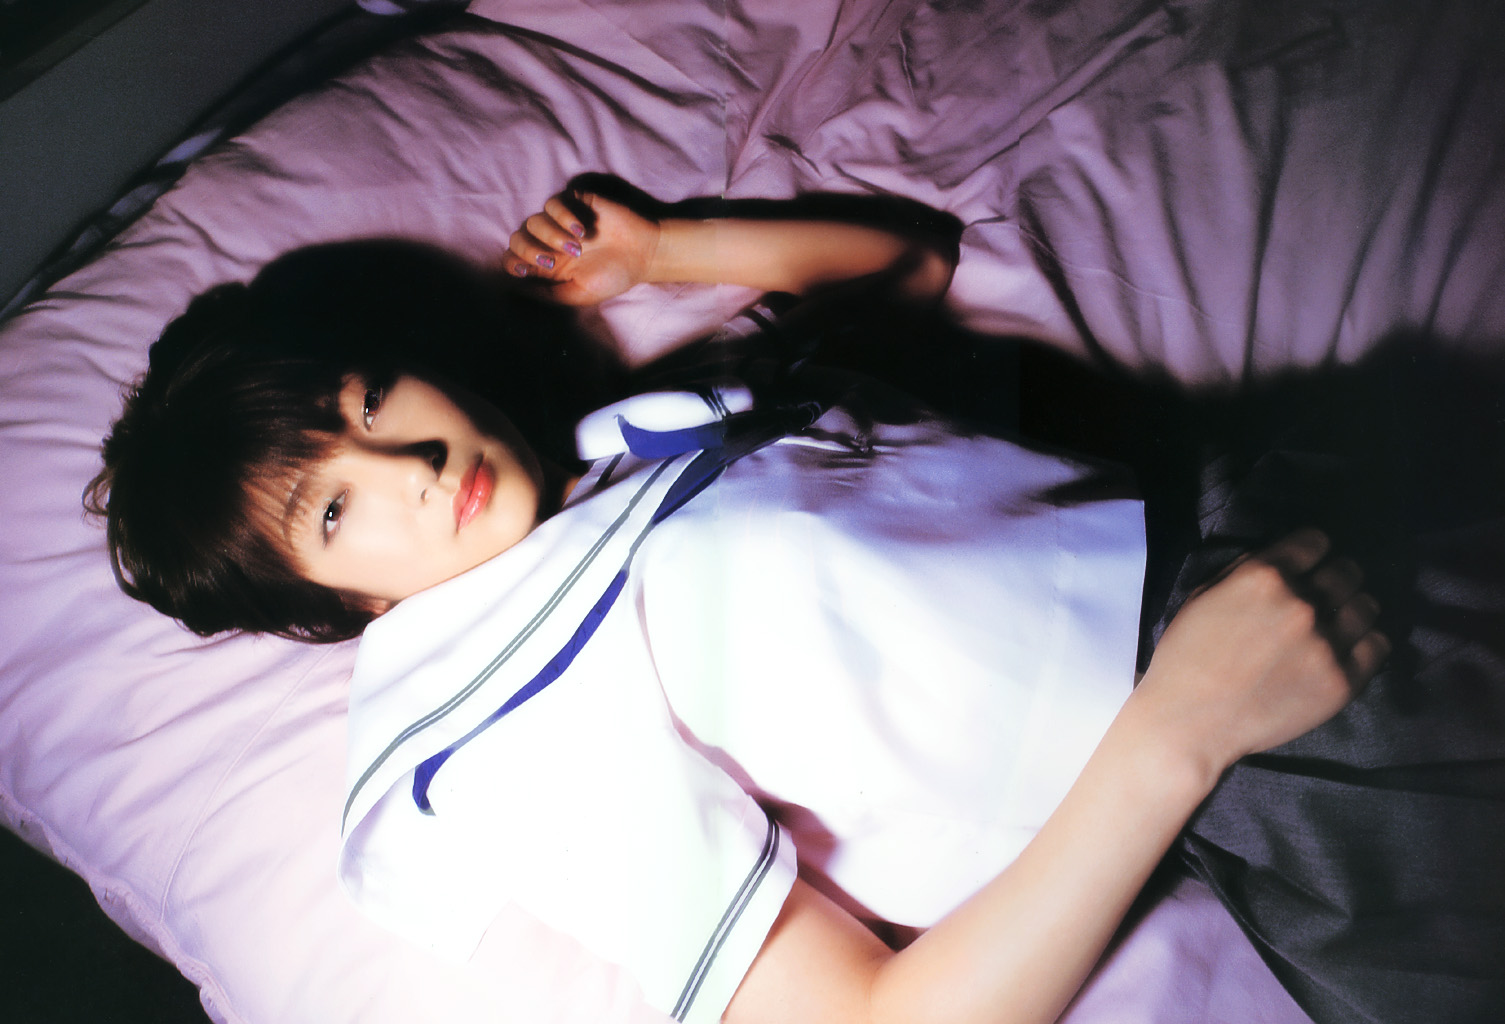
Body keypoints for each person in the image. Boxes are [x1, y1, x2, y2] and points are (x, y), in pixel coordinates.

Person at [89, 186, 1387, 1024]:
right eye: (332, 510)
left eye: (369, 402)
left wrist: (665, 250)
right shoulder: (490, 723)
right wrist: (1181, 734)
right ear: (342, 605)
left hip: (1270, 511)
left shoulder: (621, 448)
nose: (412, 467)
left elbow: (909, 269)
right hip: (1279, 751)